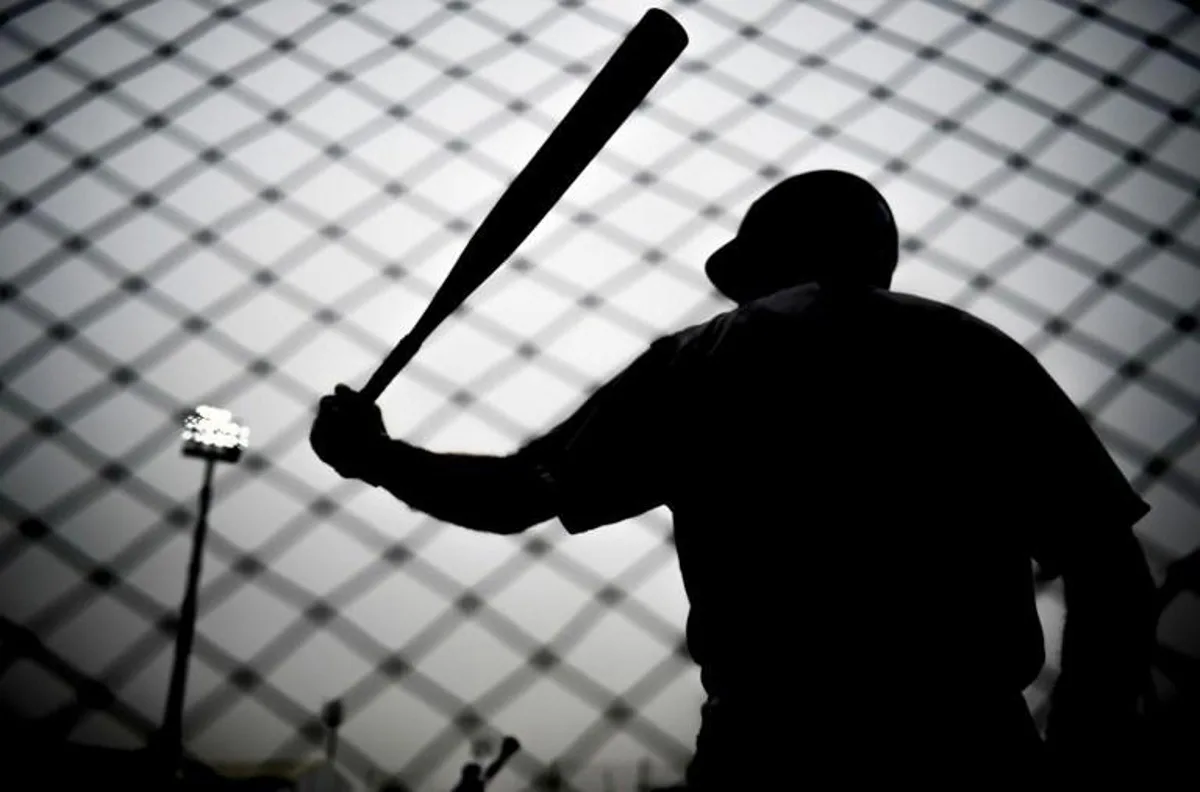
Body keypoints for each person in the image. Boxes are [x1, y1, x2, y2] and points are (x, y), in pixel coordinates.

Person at [310, 170, 1156, 787]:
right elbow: (1112, 570)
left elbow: (515, 496)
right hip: (969, 749)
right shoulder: (976, 352)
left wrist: (379, 457)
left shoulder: (703, 359)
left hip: (768, 752)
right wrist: (1082, 759)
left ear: (764, 263)